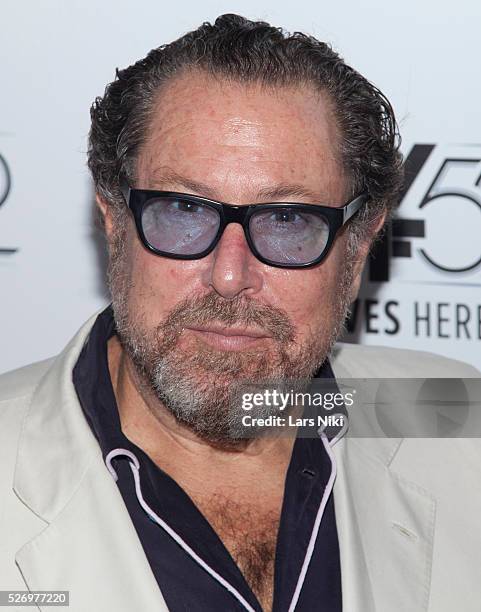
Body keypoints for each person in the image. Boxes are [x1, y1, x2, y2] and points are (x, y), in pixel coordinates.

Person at [0, 14, 479, 612]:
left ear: (358, 246)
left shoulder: (461, 424)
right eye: (183, 209)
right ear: (113, 222)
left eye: (287, 220)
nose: (230, 277)